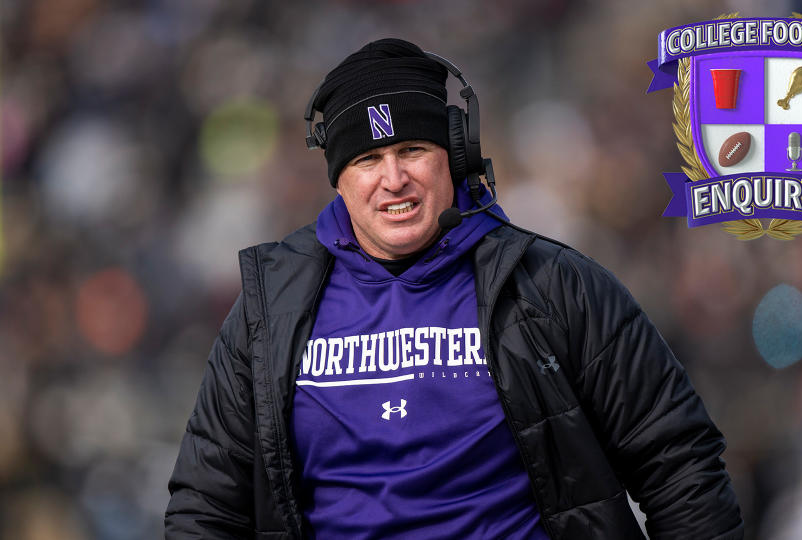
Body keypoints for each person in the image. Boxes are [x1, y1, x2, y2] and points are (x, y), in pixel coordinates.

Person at [165, 38, 743, 539]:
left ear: (455, 154)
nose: (394, 179)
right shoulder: (271, 310)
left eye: (412, 150)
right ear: (338, 180)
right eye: (368, 159)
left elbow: (680, 465)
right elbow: (205, 506)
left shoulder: (556, 285)